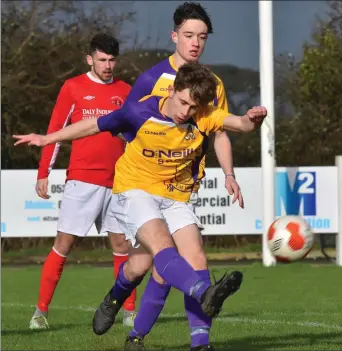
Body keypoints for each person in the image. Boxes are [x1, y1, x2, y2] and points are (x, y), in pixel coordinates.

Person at [13, 62, 267, 350]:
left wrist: (252, 119)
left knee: (183, 260)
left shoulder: (203, 115)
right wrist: (47, 138)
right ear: (171, 90)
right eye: (182, 102)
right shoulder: (138, 111)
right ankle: (202, 293)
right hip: (135, 191)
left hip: (175, 196)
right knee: (163, 250)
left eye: (193, 107)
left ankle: (195, 341)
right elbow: (91, 126)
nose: (185, 111)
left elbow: (239, 123)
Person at [124, 3, 244, 350]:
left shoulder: (211, 83)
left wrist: (229, 174)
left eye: (202, 37)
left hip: (180, 190)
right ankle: (124, 309)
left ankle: (189, 342)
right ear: (174, 35)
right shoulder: (151, 79)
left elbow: (220, 131)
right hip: (142, 187)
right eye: (189, 35)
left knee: (180, 264)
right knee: (150, 265)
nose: (195, 43)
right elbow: (127, 125)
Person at [28, 33, 137, 330]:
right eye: (102, 59)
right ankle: (40, 311)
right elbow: (55, 130)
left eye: (112, 60)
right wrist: (43, 173)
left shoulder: (126, 91)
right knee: (64, 244)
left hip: (119, 181)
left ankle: (129, 311)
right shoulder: (73, 87)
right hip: (82, 180)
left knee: (123, 245)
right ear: (90, 59)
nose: (107, 65)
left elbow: (135, 136)